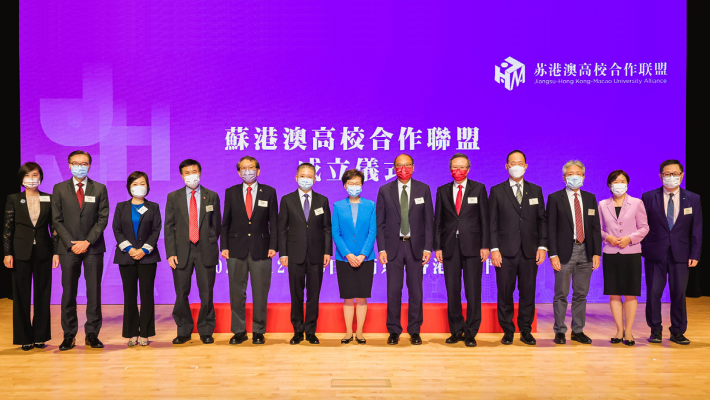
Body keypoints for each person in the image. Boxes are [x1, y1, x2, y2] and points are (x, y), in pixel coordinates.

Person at [52, 150, 110, 351]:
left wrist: (87, 241)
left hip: (93, 248)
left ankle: (92, 334)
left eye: (84, 163)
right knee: (69, 292)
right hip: (68, 249)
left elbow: (103, 219)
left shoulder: (100, 188)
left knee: (94, 292)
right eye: (75, 163)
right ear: (69, 165)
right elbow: (57, 220)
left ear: (90, 165)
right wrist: (71, 243)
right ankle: (69, 335)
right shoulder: (59, 189)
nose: (80, 166)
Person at [489, 150, 547, 346]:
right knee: (505, 292)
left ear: (526, 166)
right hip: (505, 252)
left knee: (528, 292)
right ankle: (507, 330)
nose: (516, 165)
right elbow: (492, 223)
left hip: (530, 251)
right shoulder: (497, 191)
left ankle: (525, 330)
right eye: (512, 163)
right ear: (506, 166)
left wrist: (542, 246)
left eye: (520, 162)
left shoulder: (536, 190)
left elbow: (541, 221)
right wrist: (494, 249)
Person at [642, 160, 702, 345]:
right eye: (667, 174)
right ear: (660, 176)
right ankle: (655, 330)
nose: (671, 177)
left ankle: (677, 331)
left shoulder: (693, 198)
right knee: (653, 293)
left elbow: (697, 228)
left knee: (678, 293)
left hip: (681, 255)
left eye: (675, 173)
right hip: (655, 254)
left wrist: (695, 254)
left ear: (682, 175)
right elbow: (643, 226)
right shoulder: (648, 197)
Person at [376, 154, 433, 345]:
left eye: (407, 165)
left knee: (416, 290)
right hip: (394, 247)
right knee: (393, 290)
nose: (403, 169)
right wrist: (382, 248)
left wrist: (428, 247)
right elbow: (380, 223)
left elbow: (428, 222)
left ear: (413, 167)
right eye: (399, 165)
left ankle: (415, 330)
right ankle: (393, 330)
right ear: (394, 168)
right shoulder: (385, 190)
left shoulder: (423, 189)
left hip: (416, 246)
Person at [433, 153, 489, 347]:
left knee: (473, 290)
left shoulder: (479, 189)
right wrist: (437, 247)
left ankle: (471, 332)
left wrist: (485, 245)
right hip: (449, 247)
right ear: (450, 170)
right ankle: (456, 329)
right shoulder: (442, 191)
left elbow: (485, 219)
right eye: (455, 168)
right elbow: (438, 221)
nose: (458, 171)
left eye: (462, 167)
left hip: (473, 246)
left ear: (468, 169)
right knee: (453, 291)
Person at [221, 156, 278, 345]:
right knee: (236, 292)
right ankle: (239, 331)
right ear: (238, 172)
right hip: (236, 249)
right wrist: (224, 246)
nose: (247, 171)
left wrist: (273, 245)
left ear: (258, 170)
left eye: (251, 167)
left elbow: (274, 223)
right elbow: (225, 222)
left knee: (261, 292)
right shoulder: (231, 192)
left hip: (262, 249)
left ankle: (258, 331)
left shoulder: (269, 192)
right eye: (243, 168)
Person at [165, 159, 222, 345]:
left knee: (207, 292)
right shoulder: (173, 197)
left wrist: (211, 241)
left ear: (200, 172)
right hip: (181, 251)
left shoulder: (211, 195)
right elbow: (169, 227)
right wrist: (171, 252)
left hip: (205, 249)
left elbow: (217, 225)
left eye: (194, 171)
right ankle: (183, 330)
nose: (191, 175)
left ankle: (206, 330)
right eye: (187, 172)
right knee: (181, 292)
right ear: (182, 175)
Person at [3, 162, 59, 350]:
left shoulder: (49, 198)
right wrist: (7, 253)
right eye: (27, 176)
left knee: (43, 294)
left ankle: (41, 336)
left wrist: (56, 252)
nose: (31, 179)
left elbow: (54, 228)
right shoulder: (14, 198)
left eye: (35, 175)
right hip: (20, 252)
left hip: (44, 252)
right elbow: (7, 228)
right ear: (22, 178)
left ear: (41, 177)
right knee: (21, 296)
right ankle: (25, 337)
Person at [547, 160, 601, 345]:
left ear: (584, 177)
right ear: (564, 178)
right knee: (560, 294)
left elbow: (595, 228)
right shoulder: (555, 198)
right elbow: (550, 229)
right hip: (563, 252)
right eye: (570, 174)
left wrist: (596, 252)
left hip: (586, 252)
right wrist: (552, 254)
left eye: (578, 173)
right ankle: (560, 330)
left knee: (581, 294)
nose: (574, 176)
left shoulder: (590, 198)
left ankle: (578, 330)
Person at [278, 163, 332, 345]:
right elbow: (282, 229)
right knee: (296, 294)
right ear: (296, 178)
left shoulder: (322, 200)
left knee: (313, 295)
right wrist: (283, 253)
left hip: (317, 255)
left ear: (315, 178)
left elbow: (327, 229)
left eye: (310, 176)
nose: (306, 179)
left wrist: (327, 251)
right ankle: (297, 331)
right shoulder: (287, 200)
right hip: (294, 255)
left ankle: (311, 331)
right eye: (303, 176)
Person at [598, 170, 649, 346]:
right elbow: (598, 228)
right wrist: (607, 237)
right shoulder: (603, 204)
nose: (619, 184)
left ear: (627, 183)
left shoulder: (636, 203)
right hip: (611, 253)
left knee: (630, 293)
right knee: (614, 293)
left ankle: (629, 332)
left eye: (622, 181)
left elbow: (644, 227)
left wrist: (630, 238)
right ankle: (619, 330)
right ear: (609, 185)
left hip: (631, 252)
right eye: (615, 181)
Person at [112, 171, 162, 347]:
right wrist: (130, 249)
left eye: (142, 183)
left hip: (147, 257)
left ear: (147, 186)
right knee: (130, 295)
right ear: (129, 187)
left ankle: (146, 333)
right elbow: (116, 229)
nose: (138, 186)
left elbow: (156, 230)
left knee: (147, 295)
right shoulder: (121, 207)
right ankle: (132, 332)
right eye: (134, 184)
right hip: (126, 256)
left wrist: (144, 250)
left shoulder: (153, 207)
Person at [332, 169, 377, 345]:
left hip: (366, 257)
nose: (354, 186)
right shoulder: (338, 206)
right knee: (348, 296)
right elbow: (336, 233)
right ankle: (348, 332)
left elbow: (372, 232)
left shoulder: (370, 205)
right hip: (344, 258)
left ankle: (360, 332)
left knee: (362, 296)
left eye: (357, 183)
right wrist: (348, 254)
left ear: (362, 185)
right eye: (350, 183)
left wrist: (362, 254)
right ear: (344, 186)